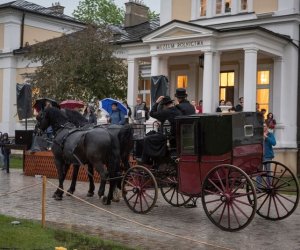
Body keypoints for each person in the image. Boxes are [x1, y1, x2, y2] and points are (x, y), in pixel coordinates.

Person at [257, 123, 276, 188]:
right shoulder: (259, 135)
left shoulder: (270, 135)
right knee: (259, 172)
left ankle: (269, 187)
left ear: (267, 127)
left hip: (267, 156)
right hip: (260, 156)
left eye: (264, 126)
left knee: (267, 171)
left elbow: (274, 143)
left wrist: (266, 137)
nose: (263, 127)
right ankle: (259, 187)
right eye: (262, 126)